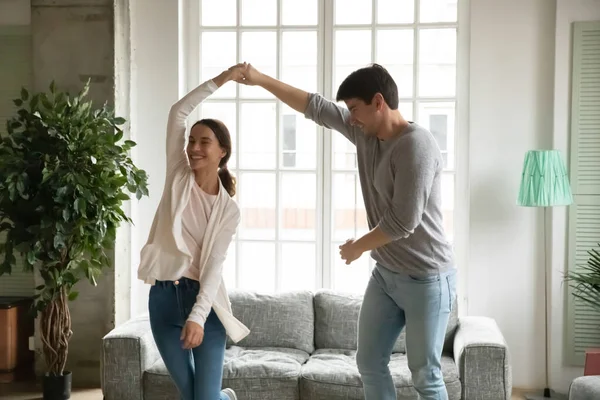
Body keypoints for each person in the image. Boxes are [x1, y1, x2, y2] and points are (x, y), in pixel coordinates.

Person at [236, 62, 457, 400]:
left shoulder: (416, 145)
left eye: (355, 108)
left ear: (378, 102)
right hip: (387, 275)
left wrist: (359, 247)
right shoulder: (365, 133)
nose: (350, 117)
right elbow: (315, 106)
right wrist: (259, 78)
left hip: (426, 278)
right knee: (369, 362)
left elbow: (404, 221)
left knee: (425, 374)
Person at [137, 64, 251, 400]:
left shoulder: (228, 211)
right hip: (163, 301)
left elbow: (213, 266)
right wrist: (223, 79)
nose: (194, 148)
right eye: (191, 141)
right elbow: (178, 112)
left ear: (222, 152)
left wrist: (198, 318)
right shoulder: (178, 175)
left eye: (204, 142)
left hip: (206, 304)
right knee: (193, 397)